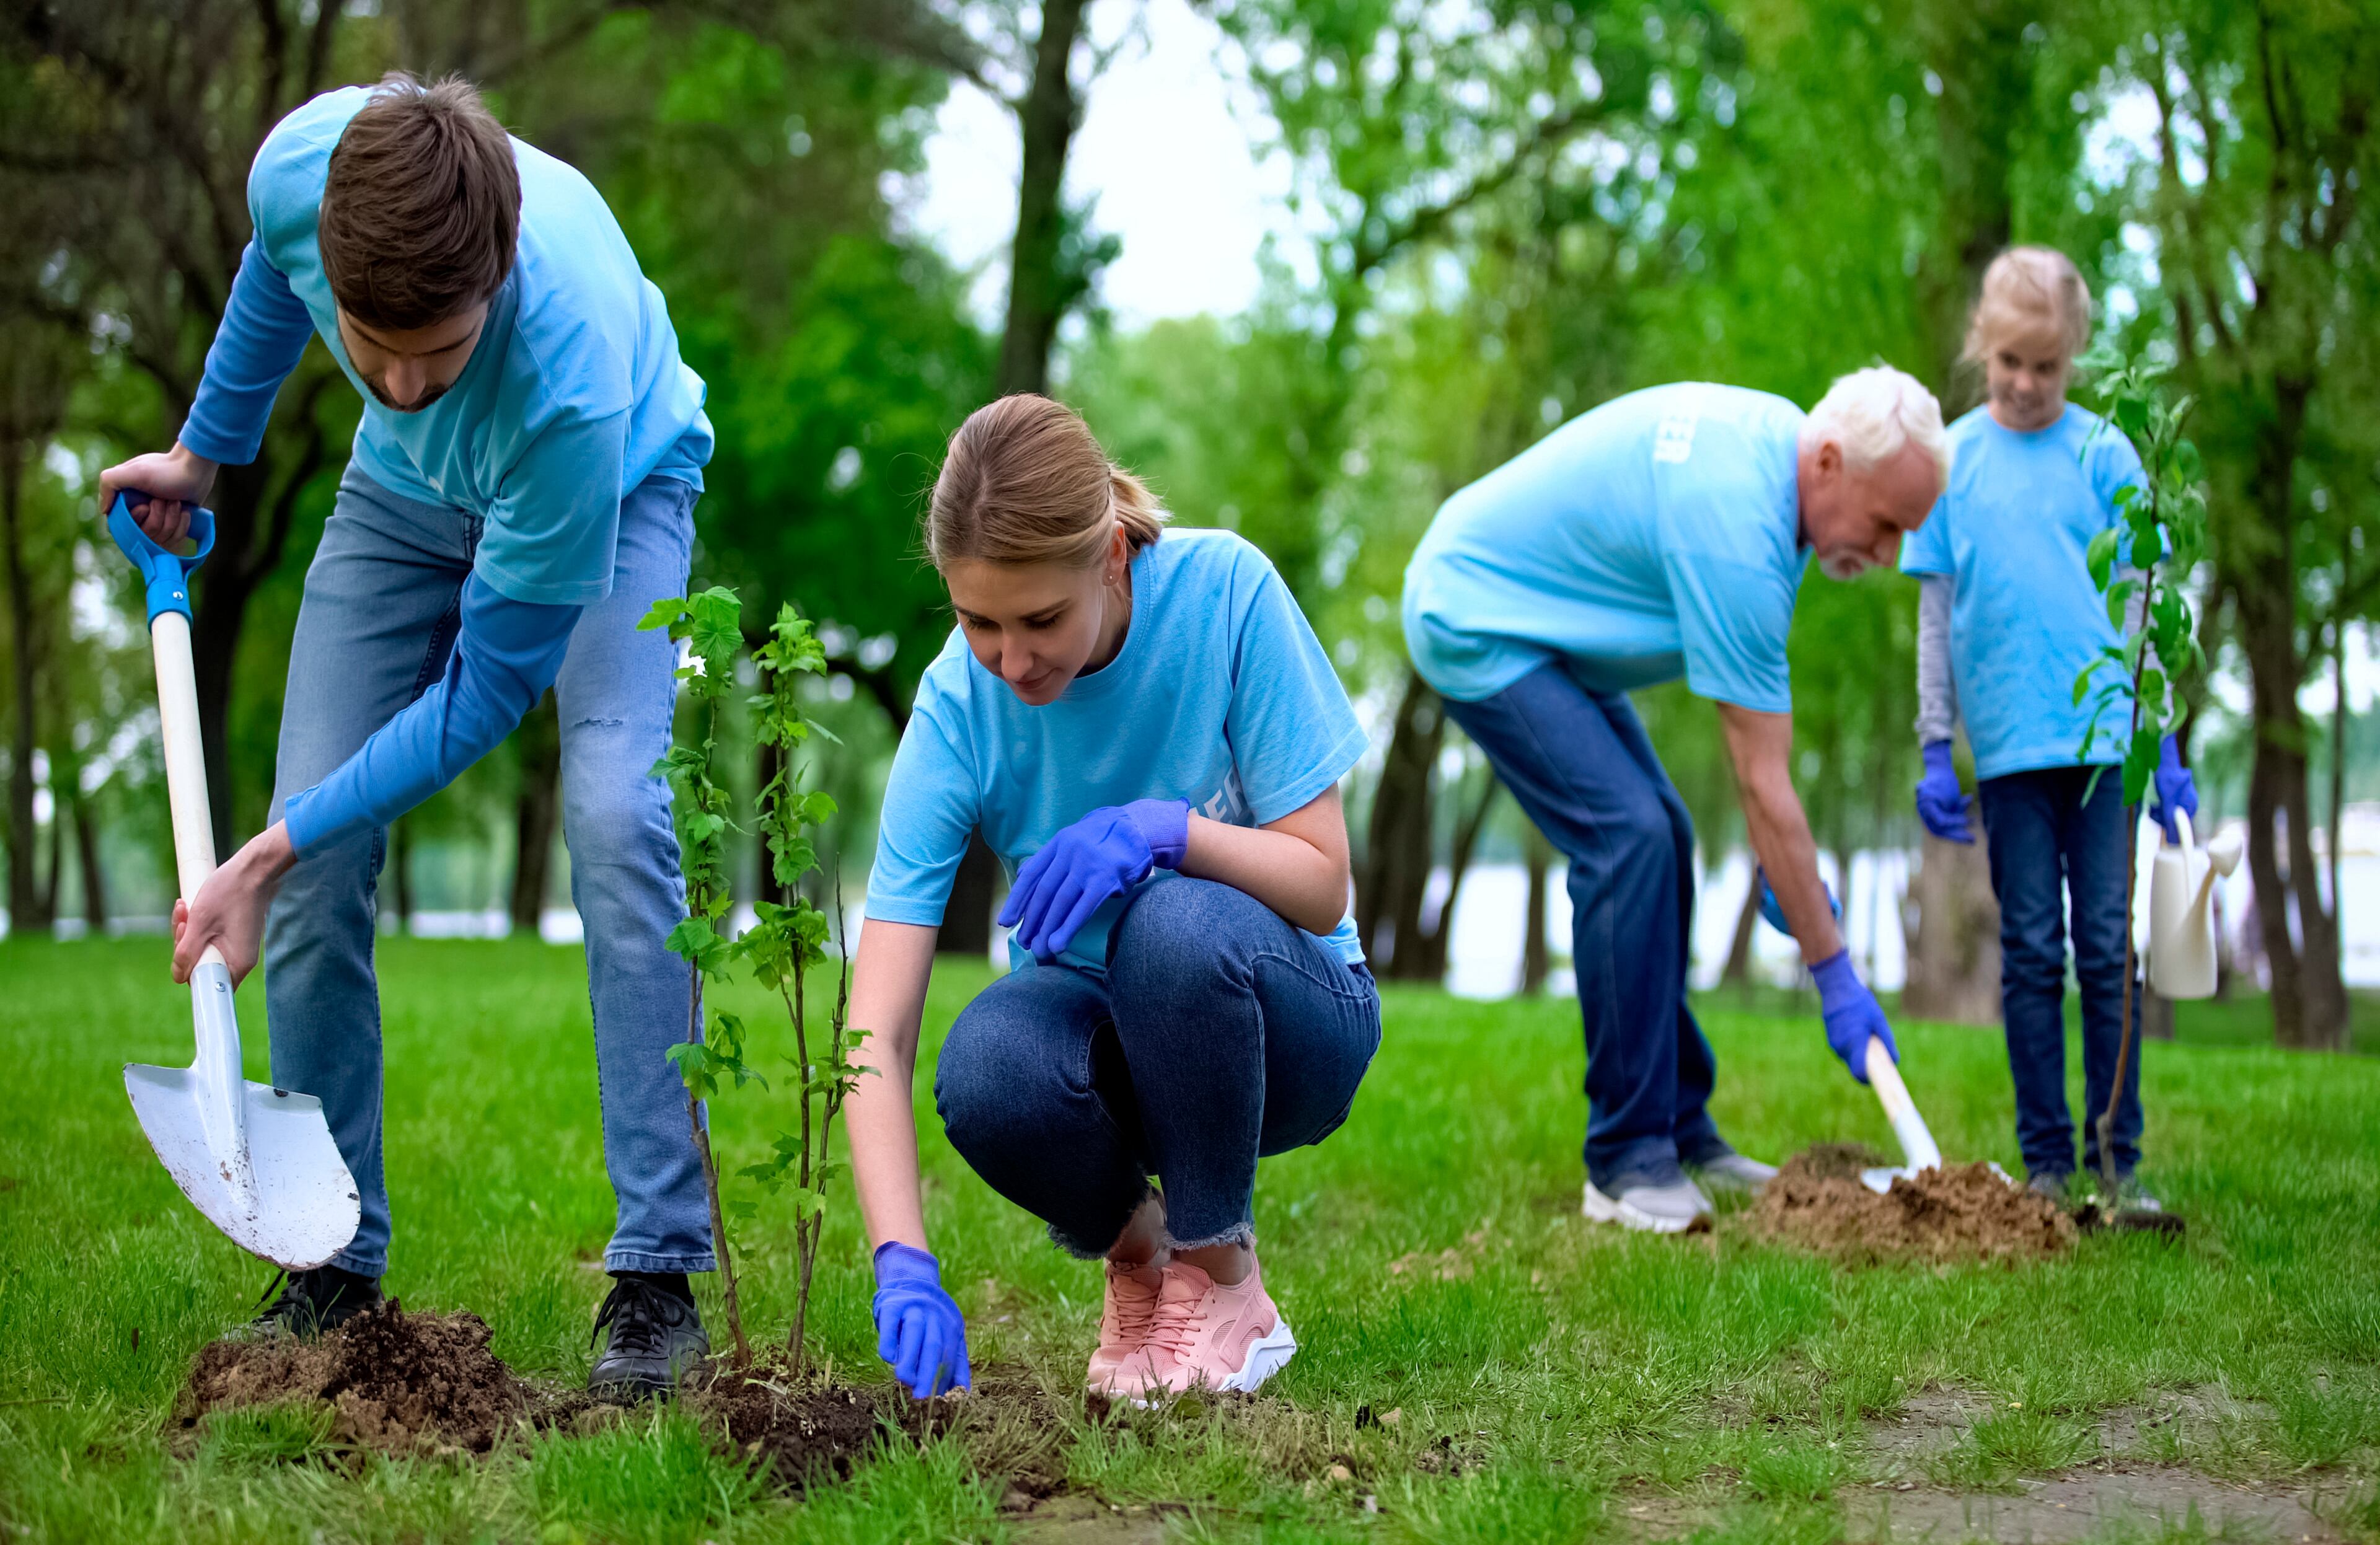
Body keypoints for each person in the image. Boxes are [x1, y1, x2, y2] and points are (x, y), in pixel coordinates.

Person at [98, 75, 718, 1394]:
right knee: (313, 836)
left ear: (493, 275)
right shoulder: (299, 176)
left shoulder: (566, 383)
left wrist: (262, 850)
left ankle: (658, 1276)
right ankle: (334, 1269)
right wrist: (204, 457)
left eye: (439, 348)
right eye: (375, 345)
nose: (402, 374)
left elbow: (488, 691)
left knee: (614, 816)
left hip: (609, 500)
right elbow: (273, 279)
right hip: (399, 494)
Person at [844, 394, 1380, 1402]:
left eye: (1041, 618)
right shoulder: (960, 704)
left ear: (1113, 559)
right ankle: (1147, 1260)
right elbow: (880, 1024)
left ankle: (1227, 1281)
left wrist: (1165, 831)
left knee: (1165, 920)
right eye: (979, 621)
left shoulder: (1226, 594)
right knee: (989, 1064)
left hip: (1291, 1021)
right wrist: (900, 1257)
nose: (1011, 658)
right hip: (1114, 1053)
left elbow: (1320, 882)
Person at [1403, 369, 1951, 1233]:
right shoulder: (1739, 527)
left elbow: (1767, 783)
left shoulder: (1780, 456)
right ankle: (1625, 1159)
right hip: (1475, 615)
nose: (1887, 557)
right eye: (1886, 526)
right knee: (1630, 840)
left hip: (1549, 628)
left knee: (1663, 832)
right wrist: (1834, 971)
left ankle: (1680, 1126)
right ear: (1833, 460)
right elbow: (1762, 781)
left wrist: (1789, 868)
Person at [1902, 246, 2194, 1210]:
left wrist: (2166, 741)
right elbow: (1936, 615)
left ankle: (2122, 1160)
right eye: (2009, 363)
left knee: (2109, 948)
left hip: (2109, 751)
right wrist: (1935, 745)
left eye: (2048, 366)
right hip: (2014, 754)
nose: (2027, 384)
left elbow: (2143, 608)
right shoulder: (1949, 462)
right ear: (1981, 348)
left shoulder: (2108, 455)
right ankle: (2047, 1165)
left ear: (2076, 357)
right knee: (2032, 950)